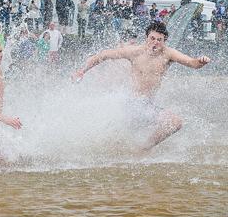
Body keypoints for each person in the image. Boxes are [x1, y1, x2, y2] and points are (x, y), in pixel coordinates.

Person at [73, 21, 210, 149]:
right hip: (133, 103)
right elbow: (103, 55)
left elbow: (192, 63)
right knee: (174, 122)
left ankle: (141, 149)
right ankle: (143, 150)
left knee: (168, 125)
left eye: (159, 40)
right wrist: (82, 71)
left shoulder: (168, 54)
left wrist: (201, 61)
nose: (155, 43)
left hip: (147, 105)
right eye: (152, 38)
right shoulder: (134, 52)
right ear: (146, 38)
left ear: (164, 41)